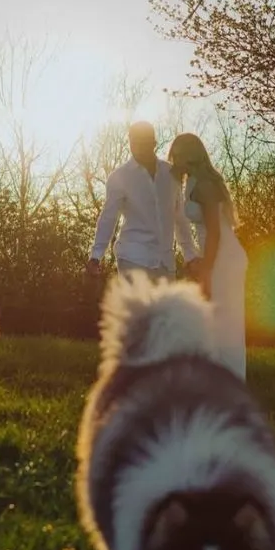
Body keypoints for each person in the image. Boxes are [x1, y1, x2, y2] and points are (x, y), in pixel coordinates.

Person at [168, 132, 248, 378]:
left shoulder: (204, 185)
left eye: (178, 156)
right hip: (217, 256)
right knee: (216, 325)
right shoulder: (191, 182)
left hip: (224, 258)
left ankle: (233, 388)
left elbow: (214, 232)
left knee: (227, 327)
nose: (173, 161)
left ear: (190, 156)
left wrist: (206, 269)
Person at [87, 121, 197, 286]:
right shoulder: (119, 177)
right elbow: (109, 218)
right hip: (133, 258)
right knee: (139, 311)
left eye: (143, 141)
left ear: (153, 143)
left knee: (167, 311)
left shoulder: (171, 174)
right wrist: (96, 255)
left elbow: (180, 217)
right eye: (134, 141)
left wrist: (190, 254)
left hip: (165, 262)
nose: (138, 146)